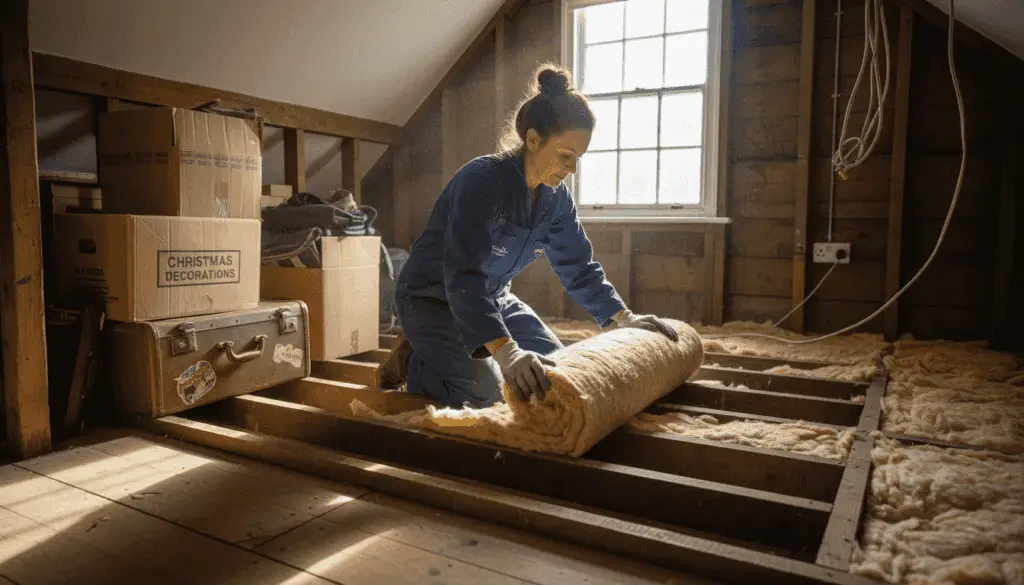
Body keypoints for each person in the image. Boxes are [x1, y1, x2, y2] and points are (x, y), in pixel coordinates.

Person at [379, 63, 678, 408]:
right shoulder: (481, 181)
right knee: (487, 393)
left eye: (579, 158)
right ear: (533, 140)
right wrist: (507, 355)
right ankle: (416, 360)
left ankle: (443, 351)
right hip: (432, 298)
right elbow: (464, 276)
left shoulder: (556, 198)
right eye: (566, 156)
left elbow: (578, 266)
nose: (573, 170)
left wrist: (624, 318)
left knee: (555, 374)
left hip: (492, 299)